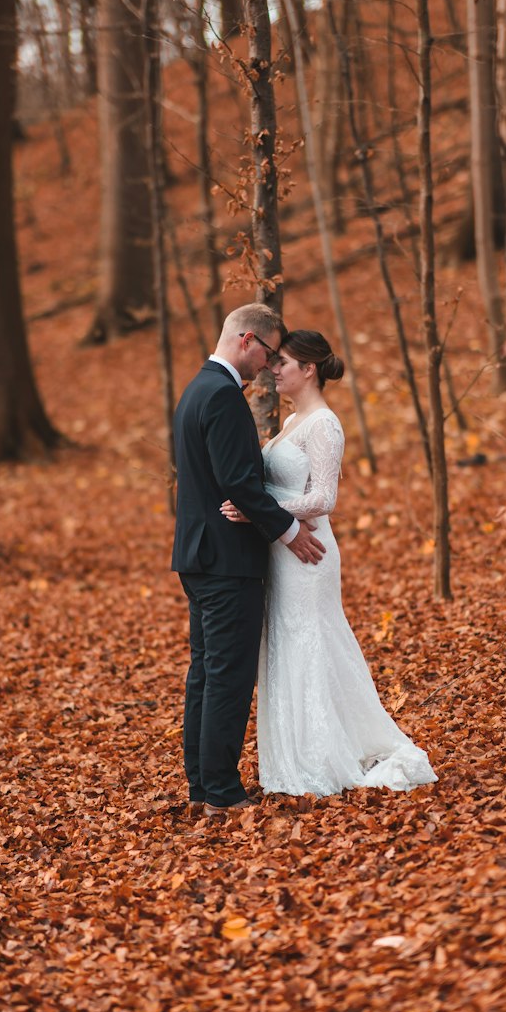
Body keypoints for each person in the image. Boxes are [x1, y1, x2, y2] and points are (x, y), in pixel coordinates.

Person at [222, 329, 438, 797]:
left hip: (310, 554)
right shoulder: (292, 422)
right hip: (283, 550)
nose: (274, 370)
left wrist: (259, 507)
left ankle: (324, 756)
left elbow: (324, 498)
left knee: (310, 641)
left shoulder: (324, 423)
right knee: (286, 642)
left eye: (283, 363)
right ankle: (295, 754)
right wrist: (261, 508)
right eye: (273, 361)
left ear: (309, 370)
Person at [171, 305, 326, 817]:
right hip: (226, 560)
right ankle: (221, 791)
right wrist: (286, 532)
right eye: (266, 351)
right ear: (245, 339)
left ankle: (201, 784)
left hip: (198, 555)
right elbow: (239, 480)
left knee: (207, 672)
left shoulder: (195, 390)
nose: (267, 365)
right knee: (229, 676)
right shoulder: (221, 396)